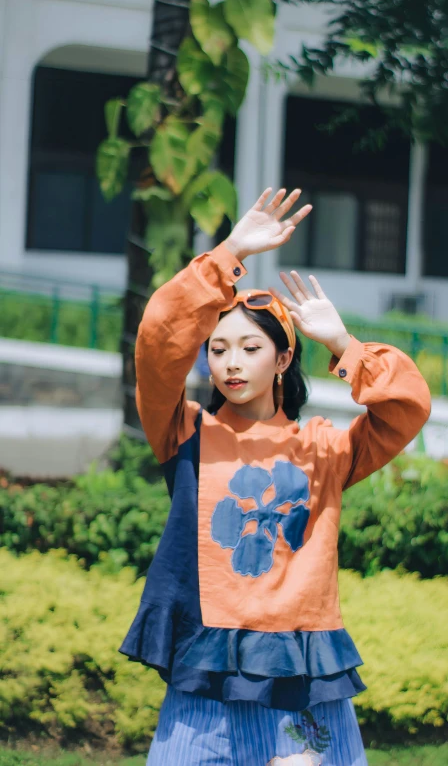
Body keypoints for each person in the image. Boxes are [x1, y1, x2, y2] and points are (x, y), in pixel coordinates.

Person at [119, 187, 431, 765]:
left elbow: (405, 408)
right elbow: (158, 341)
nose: (230, 363)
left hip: (296, 679)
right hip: (202, 670)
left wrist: (342, 342)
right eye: (217, 349)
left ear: (283, 359)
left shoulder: (324, 449)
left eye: (249, 347)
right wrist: (230, 250)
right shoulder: (184, 431)